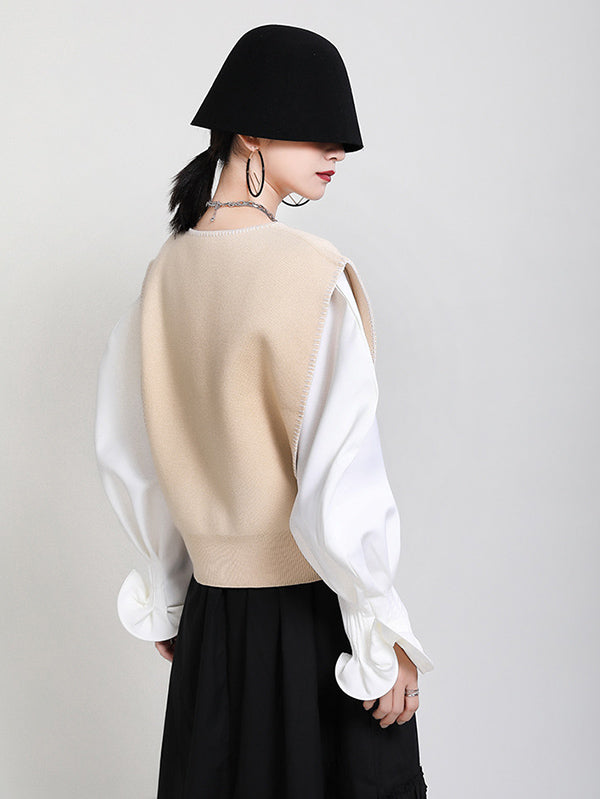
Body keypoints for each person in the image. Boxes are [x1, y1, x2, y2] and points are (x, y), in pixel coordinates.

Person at [94, 23, 434, 799]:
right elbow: (340, 477)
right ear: (250, 131)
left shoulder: (164, 273)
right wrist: (381, 631)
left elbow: (135, 457)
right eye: (316, 126)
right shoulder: (312, 274)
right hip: (314, 627)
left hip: (212, 629)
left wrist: (172, 594)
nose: (338, 148)